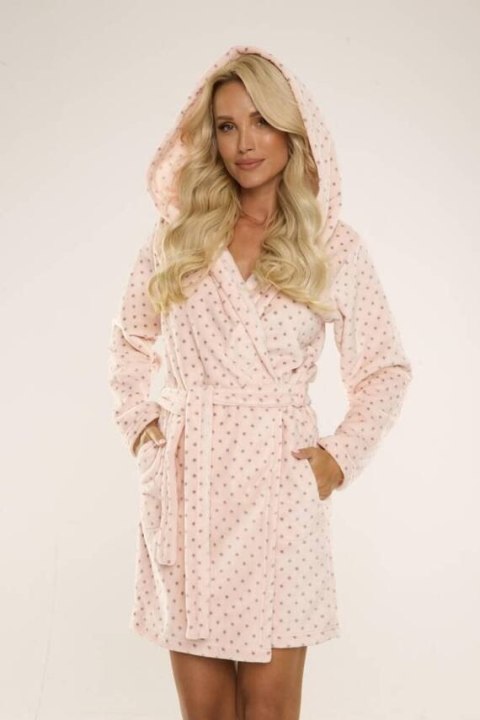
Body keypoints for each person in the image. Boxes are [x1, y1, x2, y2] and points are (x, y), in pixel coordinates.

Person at [108, 44, 413, 720]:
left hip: (279, 495)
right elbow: (129, 341)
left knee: (270, 712)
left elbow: (384, 369)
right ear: (211, 137)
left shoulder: (332, 244)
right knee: (208, 713)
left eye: (261, 121)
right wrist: (146, 432)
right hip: (189, 488)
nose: (244, 143)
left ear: (291, 129)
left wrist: (336, 458)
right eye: (227, 126)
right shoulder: (177, 237)